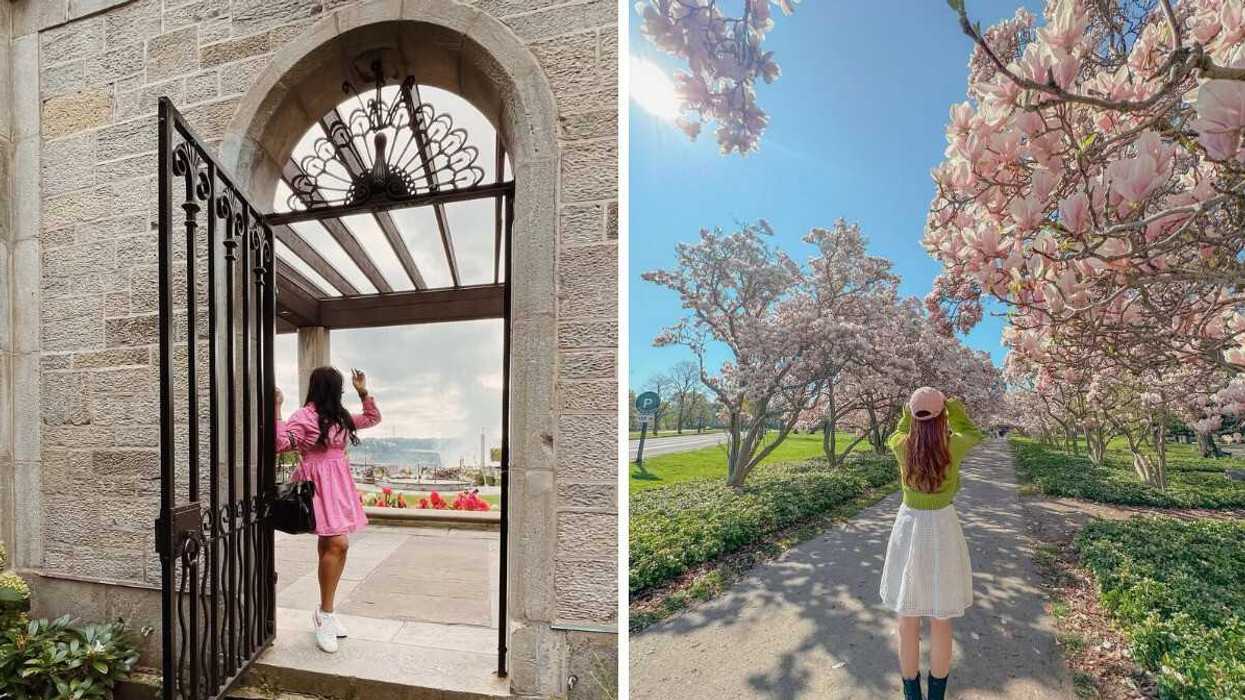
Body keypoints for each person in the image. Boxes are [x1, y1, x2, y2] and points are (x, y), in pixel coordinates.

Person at [879, 387, 985, 700]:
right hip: (943, 527)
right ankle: (936, 696)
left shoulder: (903, 445)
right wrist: (952, 406)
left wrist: (905, 414)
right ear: (942, 417)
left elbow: (895, 433)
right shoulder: (953, 445)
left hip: (909, 526)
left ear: (913, 417)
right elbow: (973, 432)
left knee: (907, 621)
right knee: (942, 620)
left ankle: (911, 694)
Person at [275, 367, 381, 653]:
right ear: (330, 389)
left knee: (331, 547)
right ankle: (325, 614)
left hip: (337, 485)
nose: (342, 392)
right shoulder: (305, 416)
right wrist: (277, 408)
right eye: (341, 388)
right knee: (339, 543)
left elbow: (373, 418)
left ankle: (327, 613)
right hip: (317, 486)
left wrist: (364, 393)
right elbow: (280, 443)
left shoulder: (340, 417)